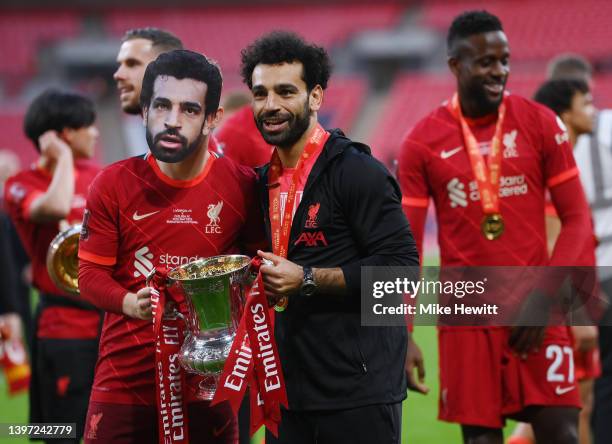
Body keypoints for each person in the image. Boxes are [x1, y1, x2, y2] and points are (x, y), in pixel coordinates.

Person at [399, 11, 595, 444]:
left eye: (504, 60)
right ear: (455, 65)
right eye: (486, 62)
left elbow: (578, 220)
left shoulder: (541, 123)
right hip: (468, 313)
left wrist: (545, 296)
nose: (499, 71)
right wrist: (404, 334)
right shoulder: (421, 141)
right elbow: (407, 246)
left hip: (538, 306)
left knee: (562, 432)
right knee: (481, 440)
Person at [239, 31, 420, 444]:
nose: (271, 106)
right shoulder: (258, 184)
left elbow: (403, 272)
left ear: (316, 96)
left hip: (357, 396)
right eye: (260, 93)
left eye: (286, 92)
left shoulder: (357, 172)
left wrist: (307, 278)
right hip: (286, 396)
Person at [78, 49, 264, 443]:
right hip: (123, 385)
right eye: (161, 105)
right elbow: (90, 274)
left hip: (207, 386)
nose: (172, 121)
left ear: (213, 118)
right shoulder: (113, 184)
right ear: (144, 109)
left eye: (189, 110)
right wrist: (131, 303)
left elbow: (262, 272)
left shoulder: (244, 187)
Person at [3, 89, 103, 443]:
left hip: (109, 326)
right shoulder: (19, 184)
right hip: (64, 331)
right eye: (87, 126)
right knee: (64, 433)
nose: (96, 133)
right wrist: (61, 159)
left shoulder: (100, 175)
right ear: (64, 134)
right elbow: (57, 206)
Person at [508, 78, 599, 444]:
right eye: (586, 103)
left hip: (579, 303)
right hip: (566, 313)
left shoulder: (565, 167)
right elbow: (552, 249)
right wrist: (579, 318)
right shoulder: (549, 173)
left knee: (573, 412)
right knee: (568, 413)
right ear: (564, 115)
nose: (593, 111)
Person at [546, 55, 612, 444]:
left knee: (582, 393)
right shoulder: (606, 125)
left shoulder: (540, 134)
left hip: (576, 275)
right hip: (594, 264)